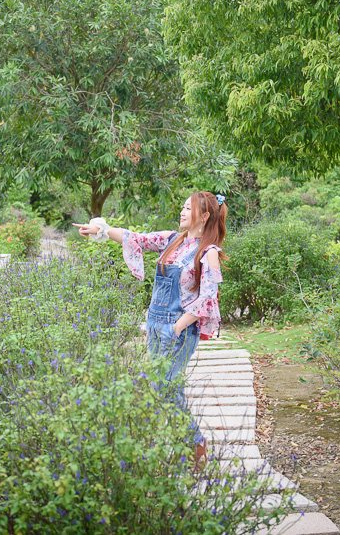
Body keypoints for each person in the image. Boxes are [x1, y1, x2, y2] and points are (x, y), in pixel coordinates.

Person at [73, 191, 227, 471]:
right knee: (163, 387)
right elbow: (136, 238)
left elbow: (207, 298)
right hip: (155, 324)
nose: (181, 212)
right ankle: (184, 446)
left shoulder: (208, 253)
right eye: (181, 207)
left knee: (165, 385)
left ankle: (195, 443)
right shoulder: (171, 239)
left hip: (178, 329)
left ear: (204, 217)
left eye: (187, 208)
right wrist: (102, 230)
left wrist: (176, 327)